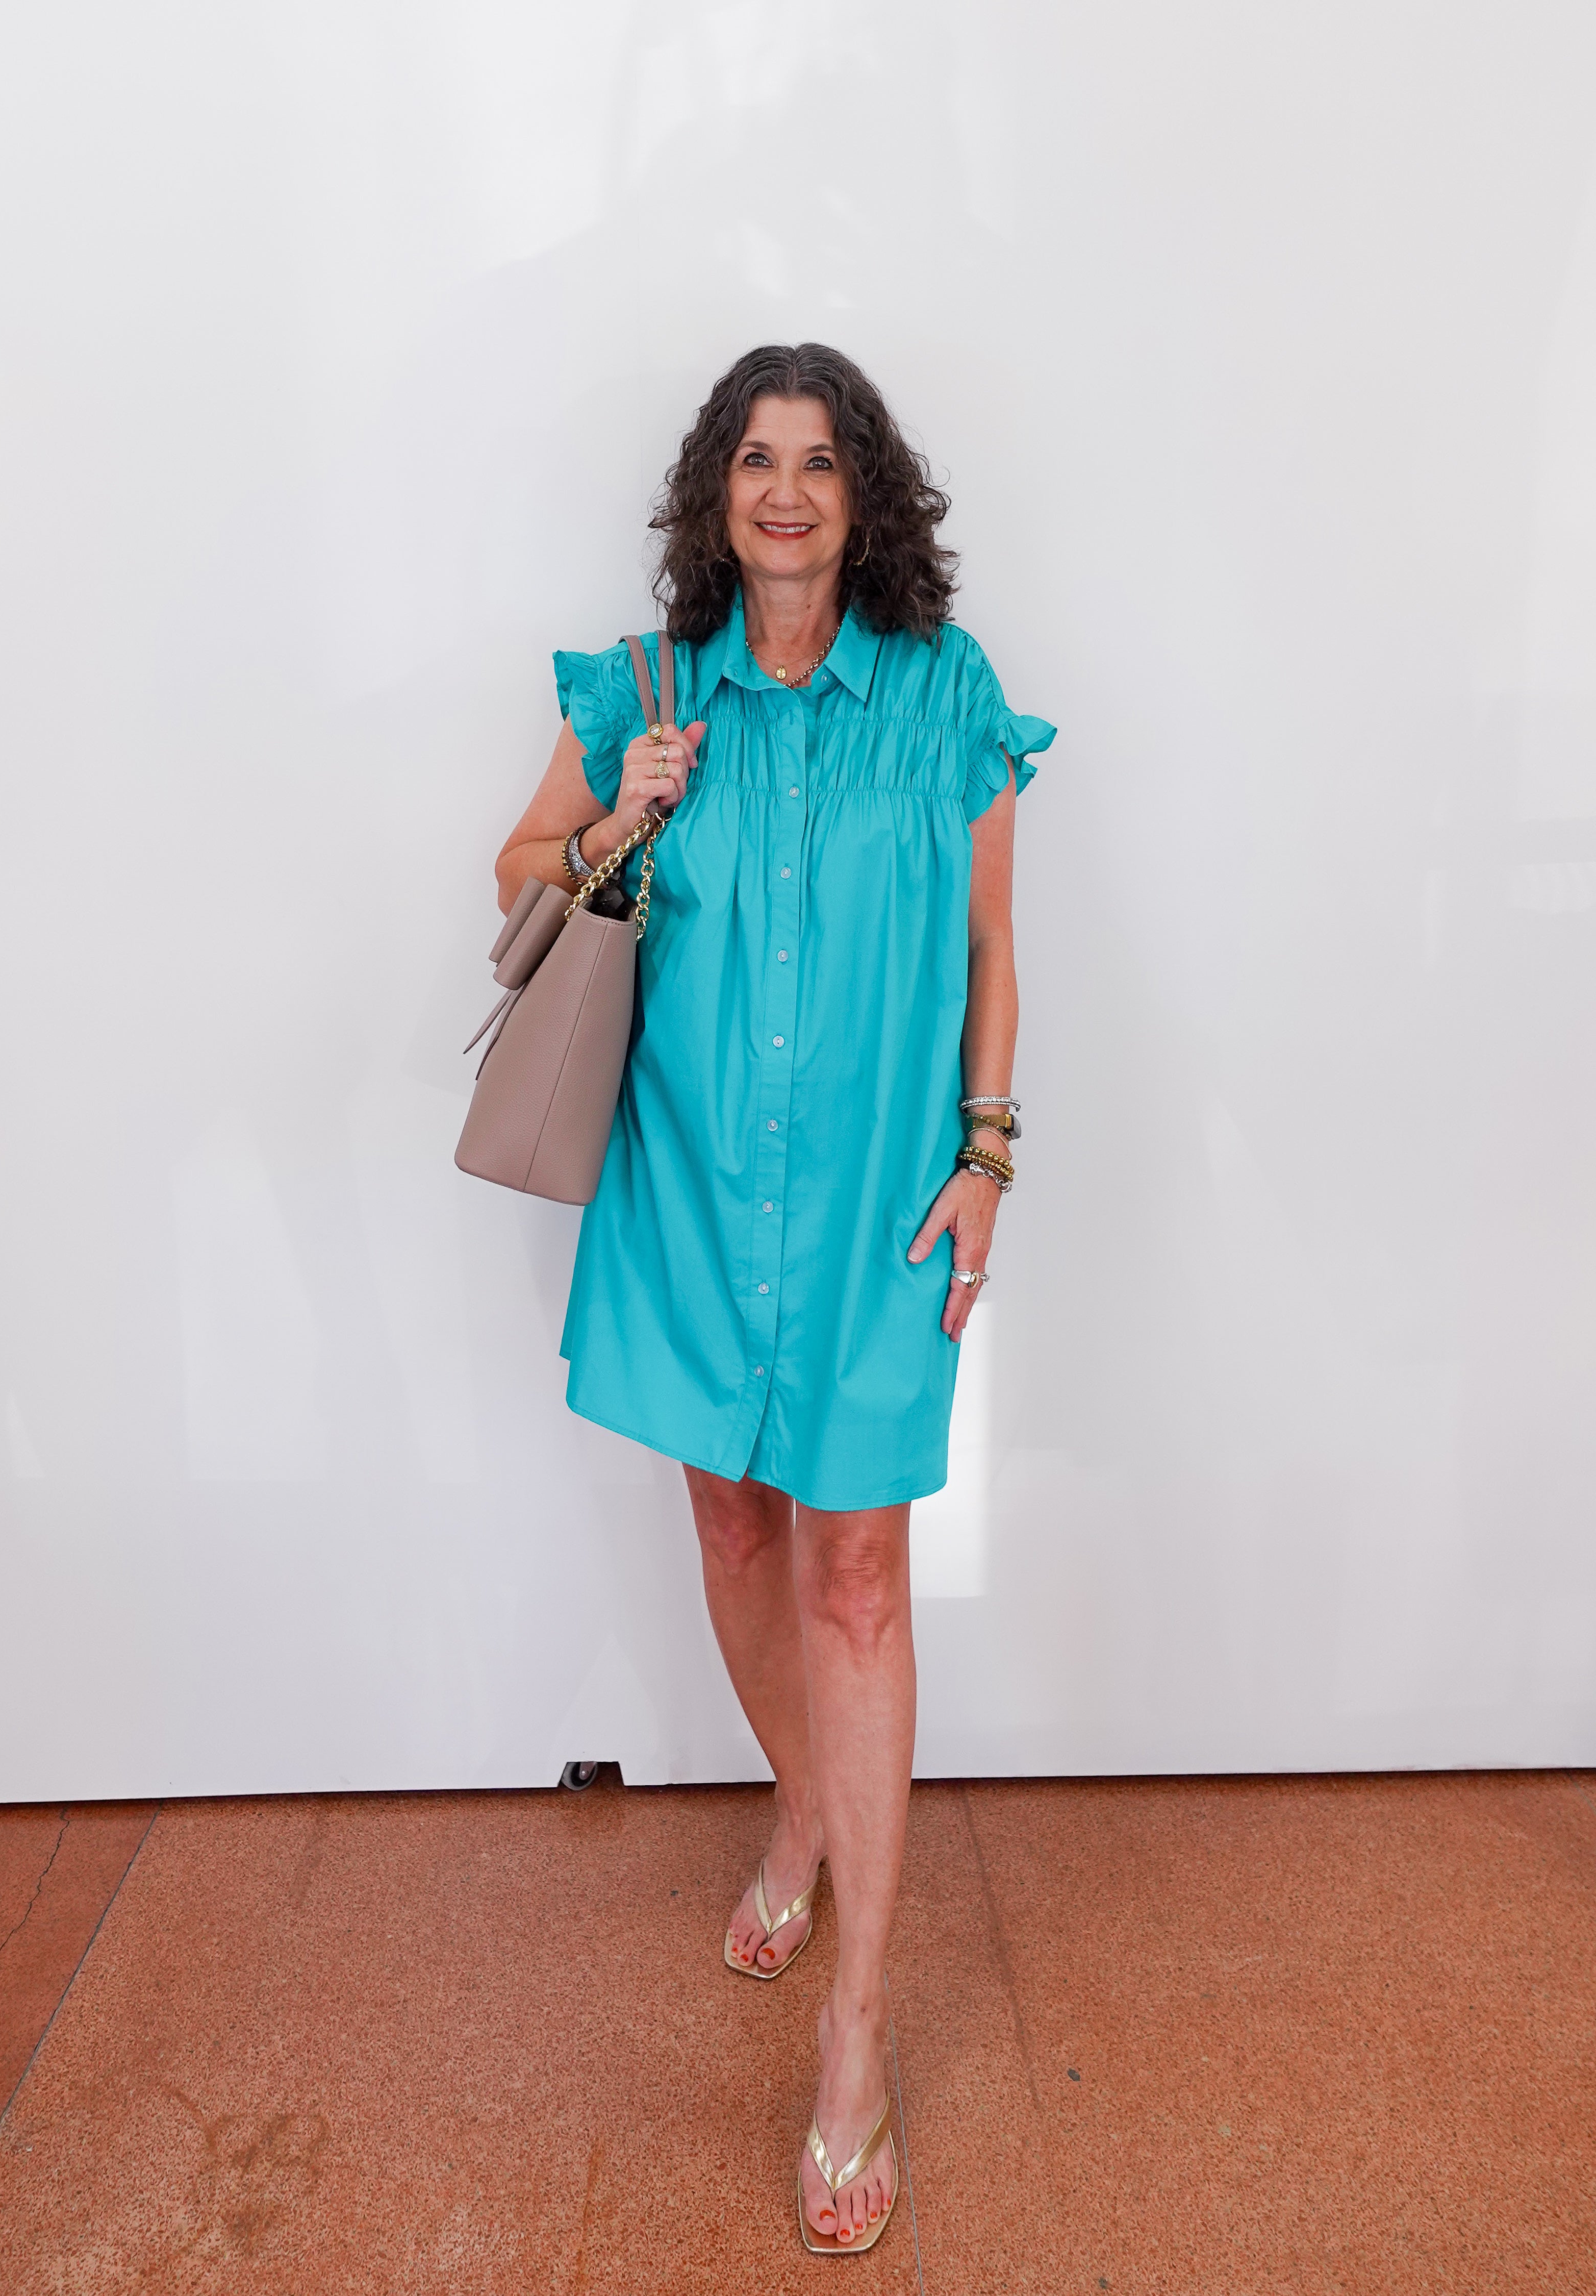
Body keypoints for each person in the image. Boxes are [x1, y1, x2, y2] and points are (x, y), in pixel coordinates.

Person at [495, 342, 1053, 2253]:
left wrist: (988, 1158)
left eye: (822, 461)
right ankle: (803, 1812)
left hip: (877, 1227)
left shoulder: (948, 700)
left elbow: (991, 952)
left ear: (865, 493)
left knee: (860, 1574)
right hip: (684, 1205)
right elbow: (512, 876)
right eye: (757, 458)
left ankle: (856, 2037)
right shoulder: (647, 692)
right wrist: (613, 815)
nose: (789, 491)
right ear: (713, 495)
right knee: (734, 1527)